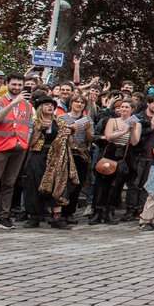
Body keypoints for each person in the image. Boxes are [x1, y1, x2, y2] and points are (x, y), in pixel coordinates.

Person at [23, 96, 75, 229]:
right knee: (34, 183)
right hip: (37, 155)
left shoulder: (60, 123)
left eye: (51, 105)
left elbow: (70, 143)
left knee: (57, 184)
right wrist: (39, 129)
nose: (50, 107)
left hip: (56, 157)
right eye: (46, 105)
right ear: (40, 108)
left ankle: (56, 217)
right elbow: (30, 144)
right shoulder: (33, 122)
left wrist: (70, 133)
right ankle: (33, 216)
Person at [0, 74, 33, 229]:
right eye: (14, 84)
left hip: (19, 147)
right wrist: (14, 102)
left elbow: (29, 125)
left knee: (9, 183)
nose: (17, 88)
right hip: (0, 147)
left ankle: (3, 217)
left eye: (20, 85)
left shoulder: (27, 105)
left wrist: (26, 141)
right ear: (7, 84)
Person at [90, 99, 141, 225]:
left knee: (116, 185)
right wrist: (124, 131)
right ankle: (98, 212)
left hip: (124, 155)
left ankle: (109, 212)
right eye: (122, 107)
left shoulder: (137, 124)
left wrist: (132, 130)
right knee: (102, 183)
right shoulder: (112, 121)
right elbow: (108, 136)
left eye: (126, 107)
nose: (123, 109)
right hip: (110, 153)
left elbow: (134, 142)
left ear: (132, 110)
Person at [58, 93, 94, 224]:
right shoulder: (62, 118)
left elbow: (90, 139)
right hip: (66, 153)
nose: (79, 104)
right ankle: (60, 211)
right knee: (64, 183)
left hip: (81, 154)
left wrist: (88, 129)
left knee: (76, 184)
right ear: (71, 104)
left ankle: (70, 212)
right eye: (76, 102)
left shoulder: (87, 119)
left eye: (82, 102)